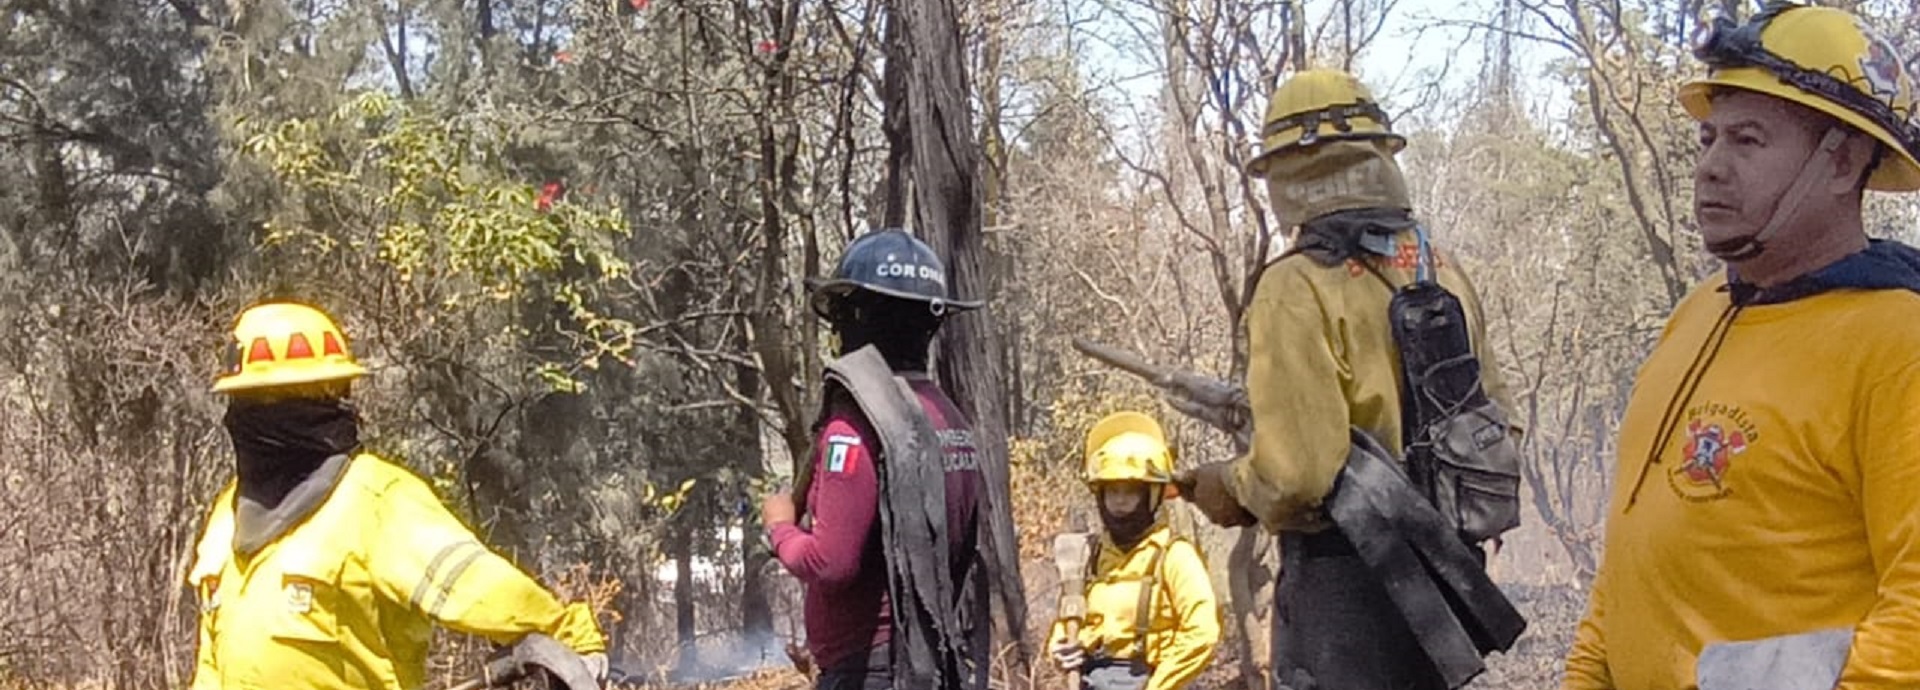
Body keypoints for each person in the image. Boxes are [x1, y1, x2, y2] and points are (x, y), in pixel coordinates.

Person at [1562, 4, 1920, 688]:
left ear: (1842, 162)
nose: (1711, 169)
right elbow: (1636, 549)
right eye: (1707, 140)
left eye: (1748, 141)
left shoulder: (1895, 344)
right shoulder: (1701, 313)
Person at [1176, 68, 1521, 690]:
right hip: (1444, 591)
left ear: (1289, 172)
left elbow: (1297, 476)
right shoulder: (1440, 270)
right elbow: (1500, 418)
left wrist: (1228, 486)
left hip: (1346, 591)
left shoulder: (1295, 285)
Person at [187, 301, 607, 690]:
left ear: (336, 398)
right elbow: (213, 655)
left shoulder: (377, 500)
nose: (265, 410)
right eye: (255, 399)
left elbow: (479, 584)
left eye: (302, 395)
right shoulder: (229, 511)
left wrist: (568, 638)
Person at [762, 228, 990, 690]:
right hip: (932, 663)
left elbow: (832, 562)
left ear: (854, 317)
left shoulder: (855, 428)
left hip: (871, 670)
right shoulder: (951, 421)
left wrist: (780, 527)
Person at [1047, 411, 1220, 690]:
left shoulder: (1175, 556)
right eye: (1111, 491)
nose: (1119, 501)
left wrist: (1158, 686)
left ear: (1153, 494)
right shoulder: (1090, 556)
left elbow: (1202, 633)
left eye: (1130, 491)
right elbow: (1069, 619)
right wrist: (1060, 648)